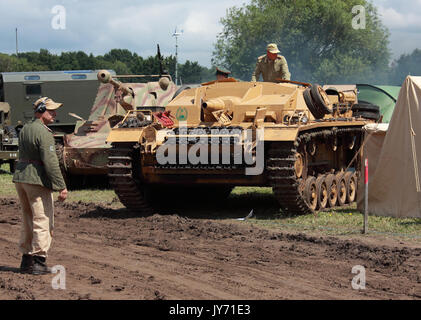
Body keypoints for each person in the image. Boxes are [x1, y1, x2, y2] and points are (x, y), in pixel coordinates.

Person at [12, 97, 68, 275]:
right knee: (43, 219)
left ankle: (26, 261)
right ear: (41, 111)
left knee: (28, 219)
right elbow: (50, 162)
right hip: (36, 180)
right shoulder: (44, 132)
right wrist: (61, 186)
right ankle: (38, 262)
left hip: (21, 178)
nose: (54, 114)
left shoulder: (26, 128)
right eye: (51, 111)